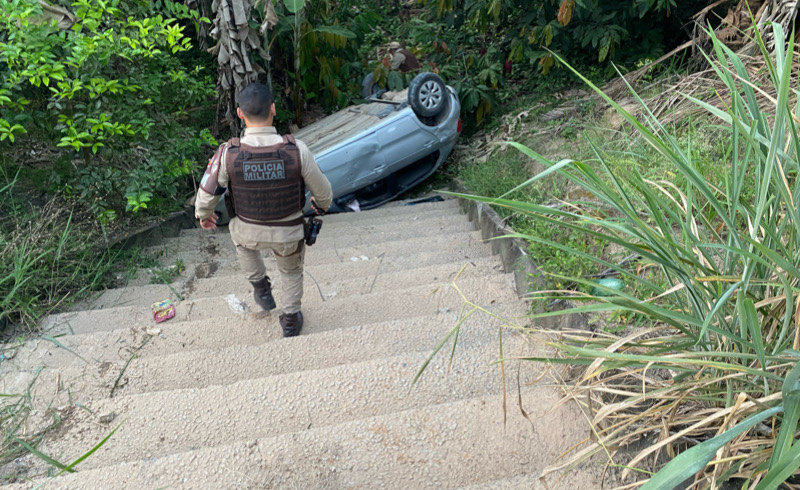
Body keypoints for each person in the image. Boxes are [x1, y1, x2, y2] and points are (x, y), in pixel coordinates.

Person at [195, 82, 332, 337]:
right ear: (273, 109)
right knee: (291, 272)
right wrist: (321, 206)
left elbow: (205, 197)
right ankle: (290, 321)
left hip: (247, 231)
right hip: (288, 234)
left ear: (239, 113)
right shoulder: (297, 150)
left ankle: (261, 289)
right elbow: (324, 194)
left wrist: (204, 217)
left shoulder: (228, 153)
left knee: (241, 241)